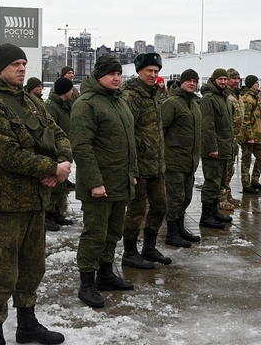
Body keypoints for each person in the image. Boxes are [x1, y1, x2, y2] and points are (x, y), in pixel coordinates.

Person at [0, 43, 71, 345]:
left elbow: (57, 133)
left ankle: (27, 325)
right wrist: (50, 169)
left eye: (24, 63)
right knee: (1, 274)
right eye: (14, 63)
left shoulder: (29, 100)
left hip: (34, 201)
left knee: (32, 268)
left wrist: (63, 160)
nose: (21, 68)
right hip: (4, 203)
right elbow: (7, 154)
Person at [70, 54, 136, 309]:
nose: (117, 78)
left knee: (112, 233)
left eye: (119, 73)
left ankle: (105, 274)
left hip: (120, 182)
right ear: (98, 76)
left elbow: (130, 142)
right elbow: (81, 146)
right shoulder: (87, 104)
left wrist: (133, 174)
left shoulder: (119, 102)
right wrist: (95, 182)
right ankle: (87, 283)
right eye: (111, 74)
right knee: (95, 235)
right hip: (99, 186)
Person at [120, 53, 170, 269]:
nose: (153, 75)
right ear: (139, 72)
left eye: (156, 71)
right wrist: (131, 167)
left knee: (160, 205)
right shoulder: (131, 96)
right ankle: (130, 252)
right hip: (138, 166)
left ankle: (149, 246)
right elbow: (126, 133)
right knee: (136, 210)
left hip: (156, 164)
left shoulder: (155, 94)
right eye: (149, 71)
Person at [161, 69, 203, 247]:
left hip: (190, 161)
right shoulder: (172, 103)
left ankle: (180, 229)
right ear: (181, 82)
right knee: (175, 199)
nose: (192, 84)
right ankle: (172, 233)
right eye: (188, 81)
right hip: (174, 160)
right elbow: (160, 129)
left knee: (185, 197)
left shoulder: (194, 104)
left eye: (194, 81)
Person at [199, 68, 234, 229]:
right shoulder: (209, 98)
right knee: (211, 183)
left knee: (219, 183)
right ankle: (205, 216)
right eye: (220, 79)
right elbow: (207, 126)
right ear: (213, 80)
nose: (223, 82)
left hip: (224, 148)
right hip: (214, 150)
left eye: (225, 79)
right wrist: (212, 147)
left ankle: (213, 212)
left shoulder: (223, 96)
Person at [44, 77, 76, 231]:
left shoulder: (64, 105)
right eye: (70, 89)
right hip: (54, 151)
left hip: (63, 150)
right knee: (53, 185)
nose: (72, 92)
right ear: (65, 91)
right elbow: (49, 131)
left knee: (61, 185)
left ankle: (56, 212)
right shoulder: (51, 106)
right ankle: (47, 215)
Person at [220, 68, 244, 210]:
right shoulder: (226, 96)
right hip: (227, 138)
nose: (236, 81)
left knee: (230, 168)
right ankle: (221, 197)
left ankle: (227, 195)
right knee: (225, 169)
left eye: (237, 78)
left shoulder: (237, 95)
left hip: (235, 138)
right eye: (233, 78)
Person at [240, 75, 261, 194]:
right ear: (250, 84)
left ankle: (255, 180)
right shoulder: (247, 99)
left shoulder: (257, 97)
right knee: (246, 160)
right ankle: (246, 184)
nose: (258, 84)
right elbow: (245, 119)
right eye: (256, 83)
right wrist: (249, 136)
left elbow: (260, 118)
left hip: (257, 135)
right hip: (248, 136)